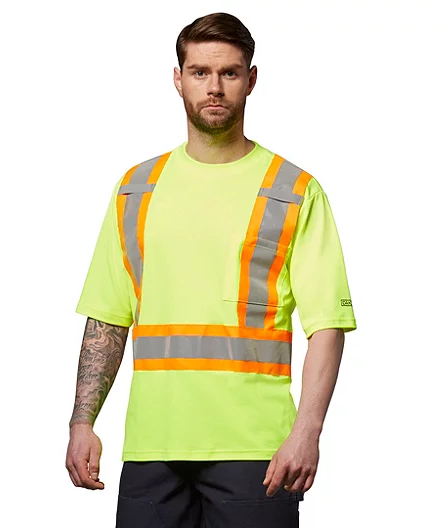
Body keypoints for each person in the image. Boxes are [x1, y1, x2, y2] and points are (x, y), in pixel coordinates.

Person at [65, 11, 357, 528]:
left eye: (229, 72)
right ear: (178, 79)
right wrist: (81, 422)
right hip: (153, 447)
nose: (214, 87)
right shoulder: (136, 190)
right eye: (200, 72)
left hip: (258, 450)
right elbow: (108, 317)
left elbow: (327, 327)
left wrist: (307, 432)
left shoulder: (294, 190)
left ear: (251, 79)